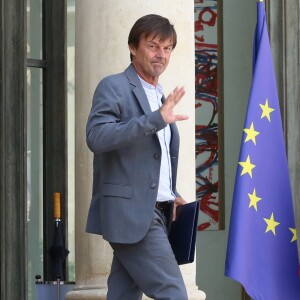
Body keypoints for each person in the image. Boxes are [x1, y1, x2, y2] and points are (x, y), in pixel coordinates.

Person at [86, 14, 189, 300]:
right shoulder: (114, 86)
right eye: (154, 46)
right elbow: (96, 137)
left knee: (123, 295)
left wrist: (171, 193)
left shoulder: (159, 94)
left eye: (167, 48)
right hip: (132, 213)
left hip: (155, 211)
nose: (161, 55)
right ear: (133, 47)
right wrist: (155, 119)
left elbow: (154, 156)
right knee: (174, 293)